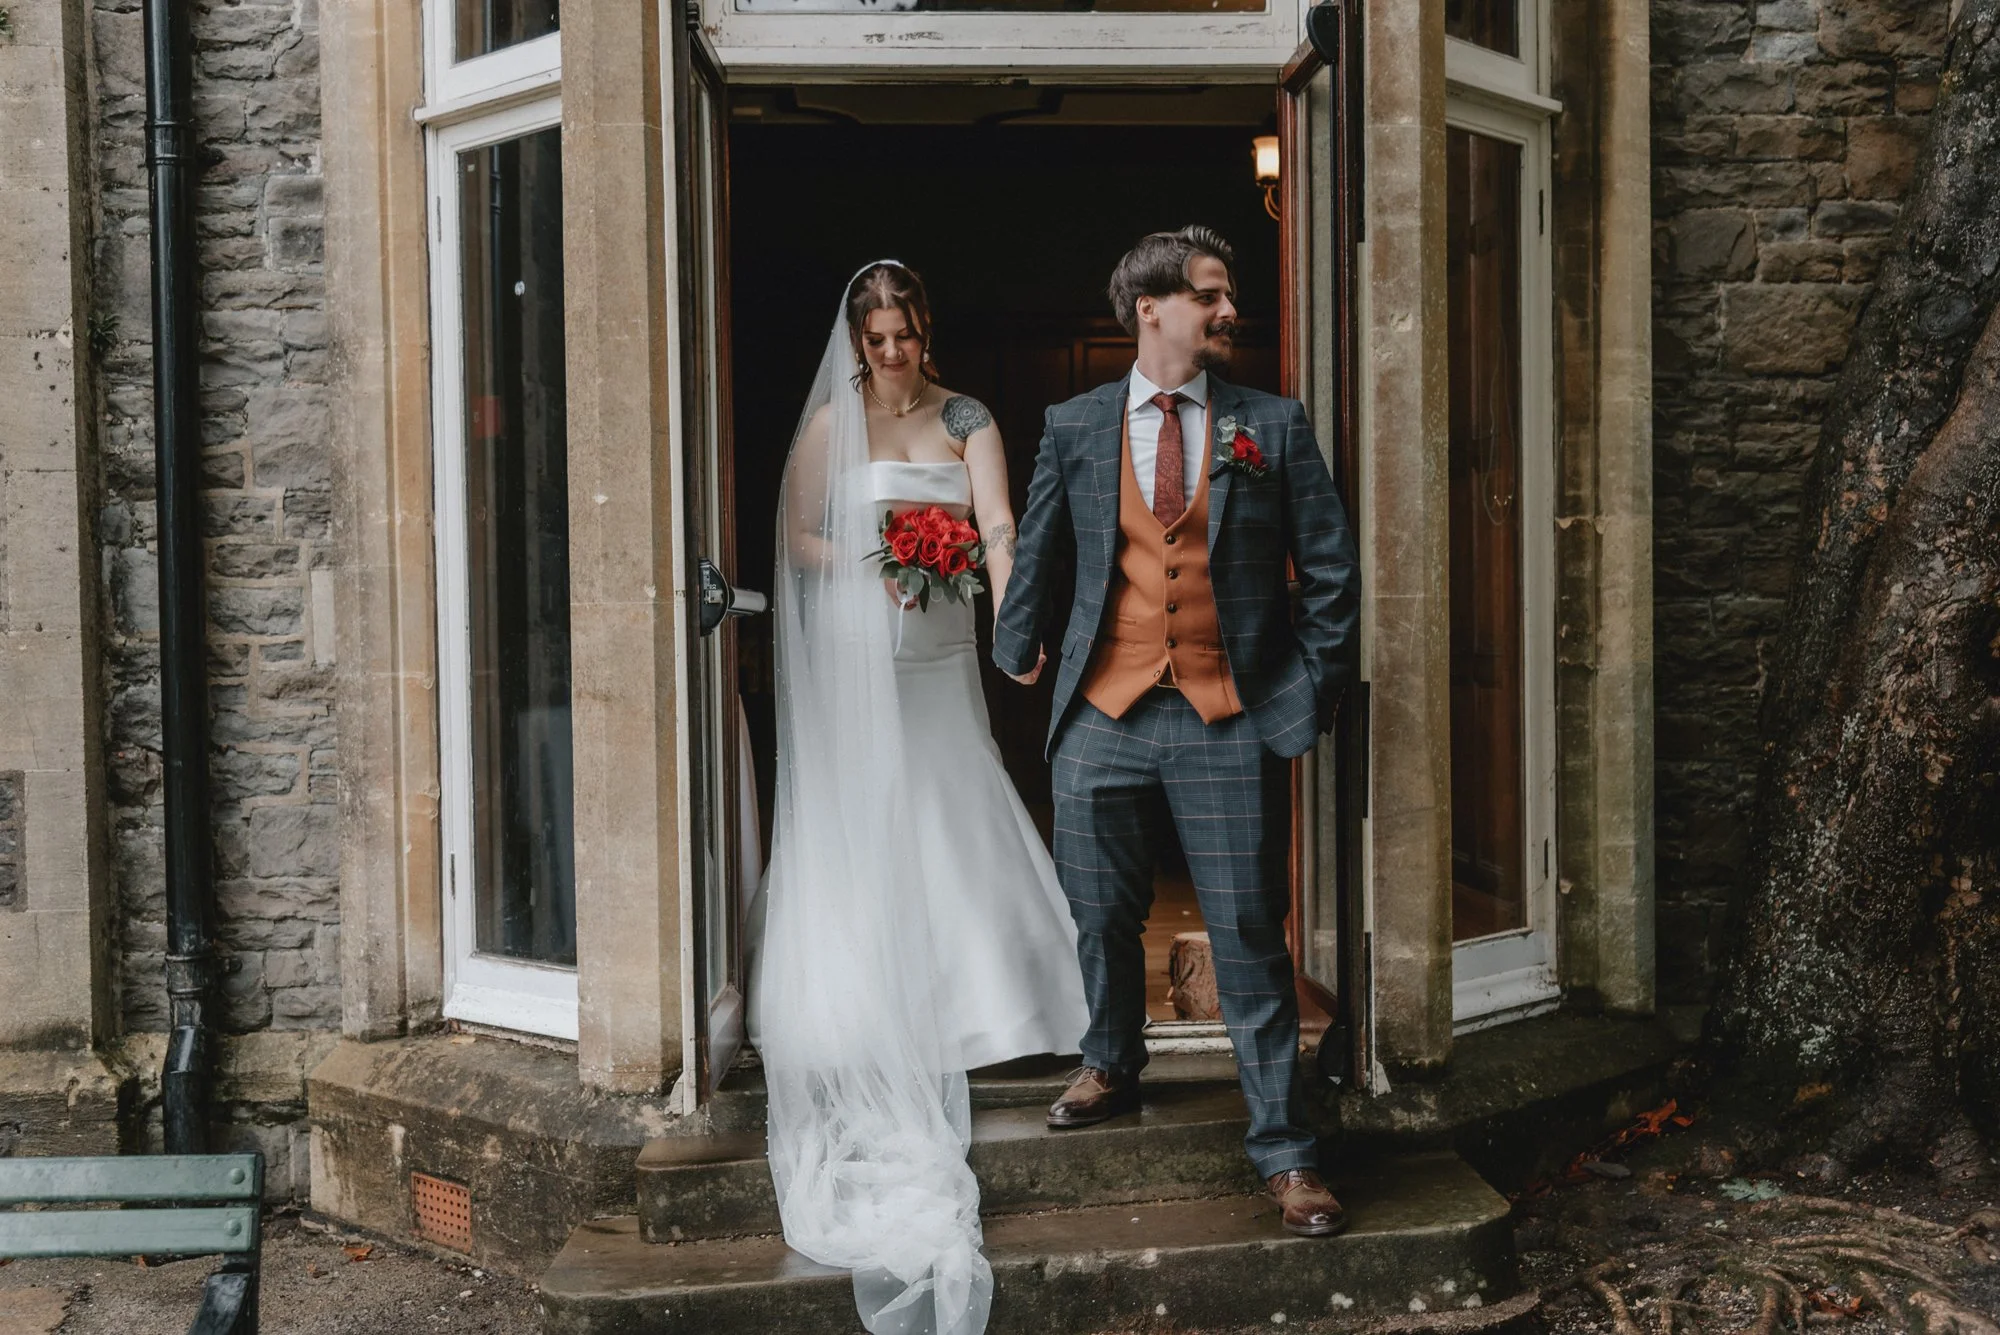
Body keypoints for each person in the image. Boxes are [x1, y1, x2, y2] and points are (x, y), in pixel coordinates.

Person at [993, 226, 1361, 1238]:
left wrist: (1305, 696)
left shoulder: (1270, 426)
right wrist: (1013, 640)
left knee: (1246, 934)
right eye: (1209, 293)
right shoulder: (1072, 424)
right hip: (1101, 714)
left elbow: (1330, 572)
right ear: (1149, 307)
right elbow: (1041, 549)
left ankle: (1286, 1156)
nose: (1226, 308)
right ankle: (1111, 1059)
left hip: (1224, 717)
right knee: (1099, 915)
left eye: (1225, 294)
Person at [751, 260, 1090, 1335]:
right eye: (877, 339)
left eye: (904, 336)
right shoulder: (828, 425)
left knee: (956, 794)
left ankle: (1000, 1002)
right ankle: (869, 1005)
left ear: (924, 331)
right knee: (869, 817)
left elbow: (996, 523)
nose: (891, 353)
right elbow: (797, 538)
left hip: (939, 645)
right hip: (861, 645)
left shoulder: (969, 414)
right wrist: (874, 551)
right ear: (856, 341)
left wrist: (998, 603)